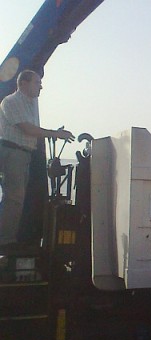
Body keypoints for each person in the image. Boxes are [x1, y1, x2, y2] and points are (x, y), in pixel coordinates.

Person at [0, 69, 74, 249]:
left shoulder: (31, 104)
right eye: (37, 82)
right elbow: (27, 129)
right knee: (14, 198)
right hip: (13, 152)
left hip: (24, 154)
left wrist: (52, 133)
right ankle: (5, 241)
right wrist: (55, 134)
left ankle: (9, 237)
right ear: (23, 83)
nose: (41, 86)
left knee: (18, 198)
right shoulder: (11, 102)